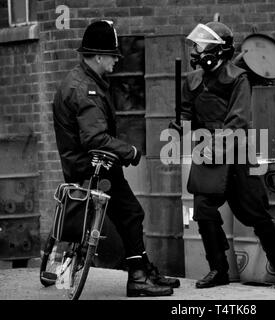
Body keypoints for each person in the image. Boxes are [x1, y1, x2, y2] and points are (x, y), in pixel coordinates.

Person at [52, 20, 180, 297]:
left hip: (84, 165)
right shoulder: (86, 90)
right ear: (98, 56)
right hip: (94, 166)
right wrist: (130, 151)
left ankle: (142, 268)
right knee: (131, 214)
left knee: (96, 218)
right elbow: (94, 137)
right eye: (112, 56)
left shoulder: (78, 80)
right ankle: (138, 278)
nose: (115, 61)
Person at [174, 21, 275, 289]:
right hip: (208, 154)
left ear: (217, 50)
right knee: (203, 210)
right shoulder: (191, 80)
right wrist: (181, 124)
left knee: (256, 213)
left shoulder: (238, 78)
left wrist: (212, 150)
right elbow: (187, 112)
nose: (196, 50)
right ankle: (219, 270)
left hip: (236, 155)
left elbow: (237, 122)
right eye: (197, 44)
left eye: (202, 45)